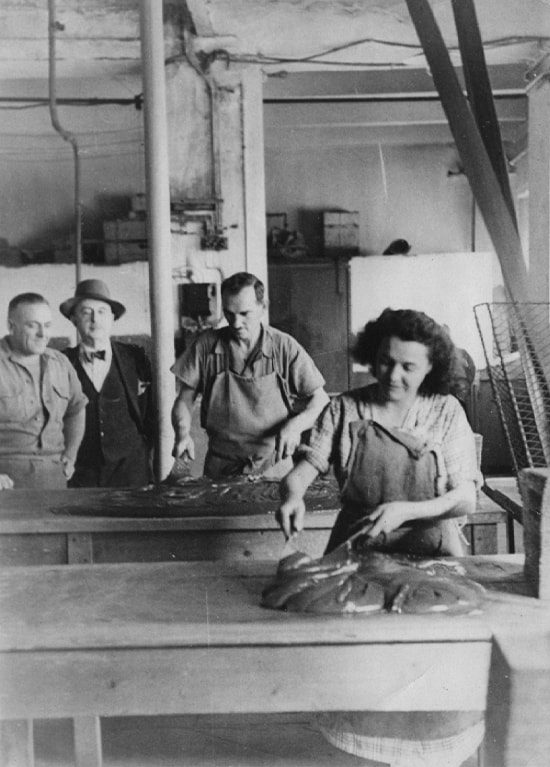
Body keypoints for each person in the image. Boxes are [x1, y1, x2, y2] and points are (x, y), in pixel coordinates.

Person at [277, 307, 483, 767]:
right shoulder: (344, 407)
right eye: (387, 361)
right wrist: (291, 494)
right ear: (373, 355)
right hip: (357, 556)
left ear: (430, 367)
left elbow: (465, 497)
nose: (394, 375)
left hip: (431, 557)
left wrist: (407, 511)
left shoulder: (445, 411)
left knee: (432, 679)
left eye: (409, 366)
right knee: (358, 677)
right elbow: (307, 466)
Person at [171, 271, 329, 479]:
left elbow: (320, 400)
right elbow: (184, 400)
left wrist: (295, 426)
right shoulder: (206, 346)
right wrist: (182, 433)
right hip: (221, 467)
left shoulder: (284, 347)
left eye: (244, 314)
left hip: (275, 465)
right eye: (229, 314)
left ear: (263, 307)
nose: (236, 323)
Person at [60, 279, 155, 487]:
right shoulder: (61, 362)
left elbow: (152, 411)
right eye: (86, 312)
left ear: (112, 318)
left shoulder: (135, 357)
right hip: (80, 472)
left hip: (131, 471)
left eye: (102, 312)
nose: (95, 319)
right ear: (74, 319)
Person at [0, 293, 87, 490]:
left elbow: (76, 409)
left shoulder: (60, 363)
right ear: (11, 326)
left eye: (47, 325)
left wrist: (71, 454)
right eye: (33, 325)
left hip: (54, 480)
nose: (42, 334)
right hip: (5, 484)